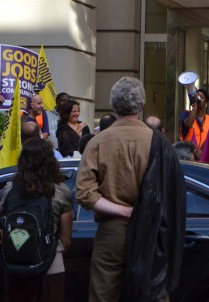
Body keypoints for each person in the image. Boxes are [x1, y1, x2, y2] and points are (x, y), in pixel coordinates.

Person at [77, 76, 185, 302]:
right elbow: (172, 194)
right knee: (153, 294)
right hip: (151, 231)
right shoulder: (159, 142)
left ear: (113, 106)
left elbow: (85, 194)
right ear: (142, 106)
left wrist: (122, 211)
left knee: (103, 297)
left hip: (112, 232)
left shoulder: (97, 142)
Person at [0, 138, 73, 302]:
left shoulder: (10, 189)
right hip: (52, 264)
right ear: (51, 161)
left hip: (15, 263)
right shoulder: (61, 191)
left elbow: (0, 226)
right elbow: (66, 240)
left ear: (22, 161)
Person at [179, 88, 209, 156]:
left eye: (201, 97)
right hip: (187, 156)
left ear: (206, 102)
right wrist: (196, 103)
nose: (198, 99)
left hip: (204, 157)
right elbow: (189, 124)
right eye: (197, 97)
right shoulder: (186, 114)